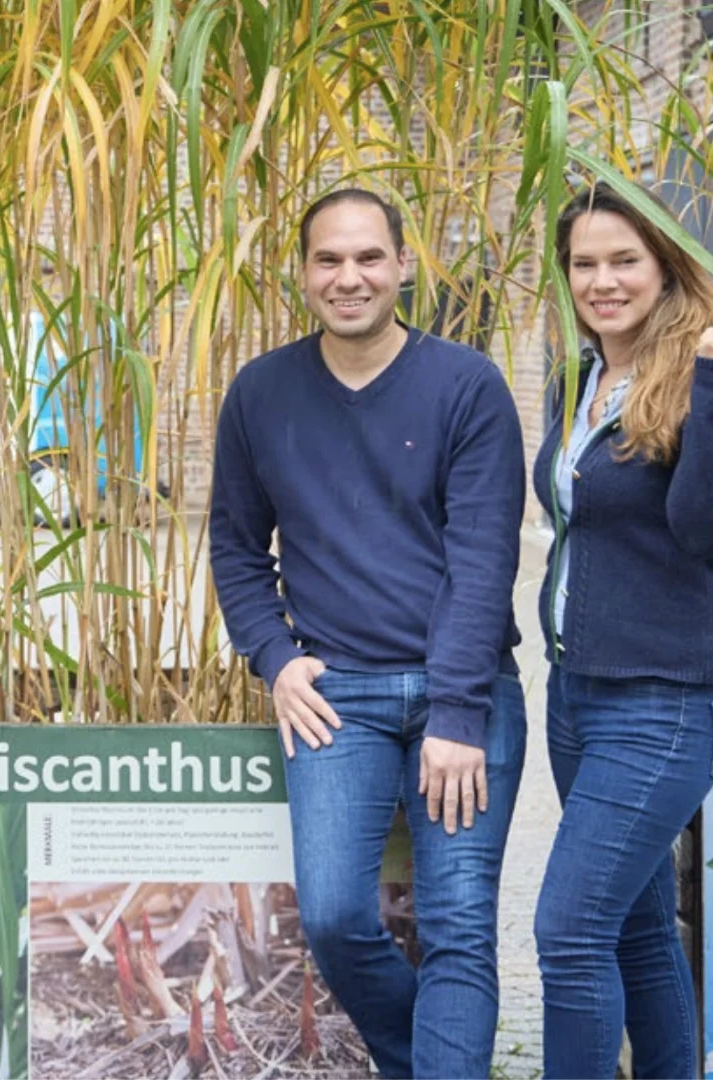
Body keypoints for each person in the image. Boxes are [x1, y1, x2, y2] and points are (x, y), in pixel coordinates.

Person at [209, 188, 527, 1079]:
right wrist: (275, 659)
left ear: (403, 264)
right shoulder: (261, 393)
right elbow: (235, 544)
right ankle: (425, 1059)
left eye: (368, 258)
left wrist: (460, 713)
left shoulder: (467, 386)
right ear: (303, 271)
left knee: (459, 925)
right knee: (335, 918)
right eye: (328, 260)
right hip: (334, 694)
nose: (348, 278)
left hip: (461, 691)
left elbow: (483, 559)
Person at [531, 184, 713, 1080]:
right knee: (630, 925)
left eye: (623, 260)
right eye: (584, 263)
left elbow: (708, 527)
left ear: (666, 264)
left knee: (569, 928)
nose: (602, 281)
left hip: (666, 702)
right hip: (576, 697)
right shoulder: (577, 378)